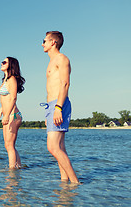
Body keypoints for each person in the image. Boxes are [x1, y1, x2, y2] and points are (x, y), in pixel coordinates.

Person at [41, 31, 79, 183]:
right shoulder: (51, 61)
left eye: (44, 41)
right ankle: (65, 183)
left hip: (59, 104)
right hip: (52, 105)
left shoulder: (62, 59)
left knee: (53, 147)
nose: (42, 44)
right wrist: (48, 113)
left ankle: (75, 182)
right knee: (60, 147)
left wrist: (58, 108)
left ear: (53, 42)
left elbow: (65, 83)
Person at [0, 57, 25, 169]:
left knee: (9, 145)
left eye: (4, 62)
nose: (1, 63)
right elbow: (6, 99)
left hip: (13, 115)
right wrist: (1, 110)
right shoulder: (5, 79)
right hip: (8, 113)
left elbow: (13, 98)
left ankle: (12, 172)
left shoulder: (12, 79)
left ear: (11, 65)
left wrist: (6, 115)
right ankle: (18, 167)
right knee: (8, 145)